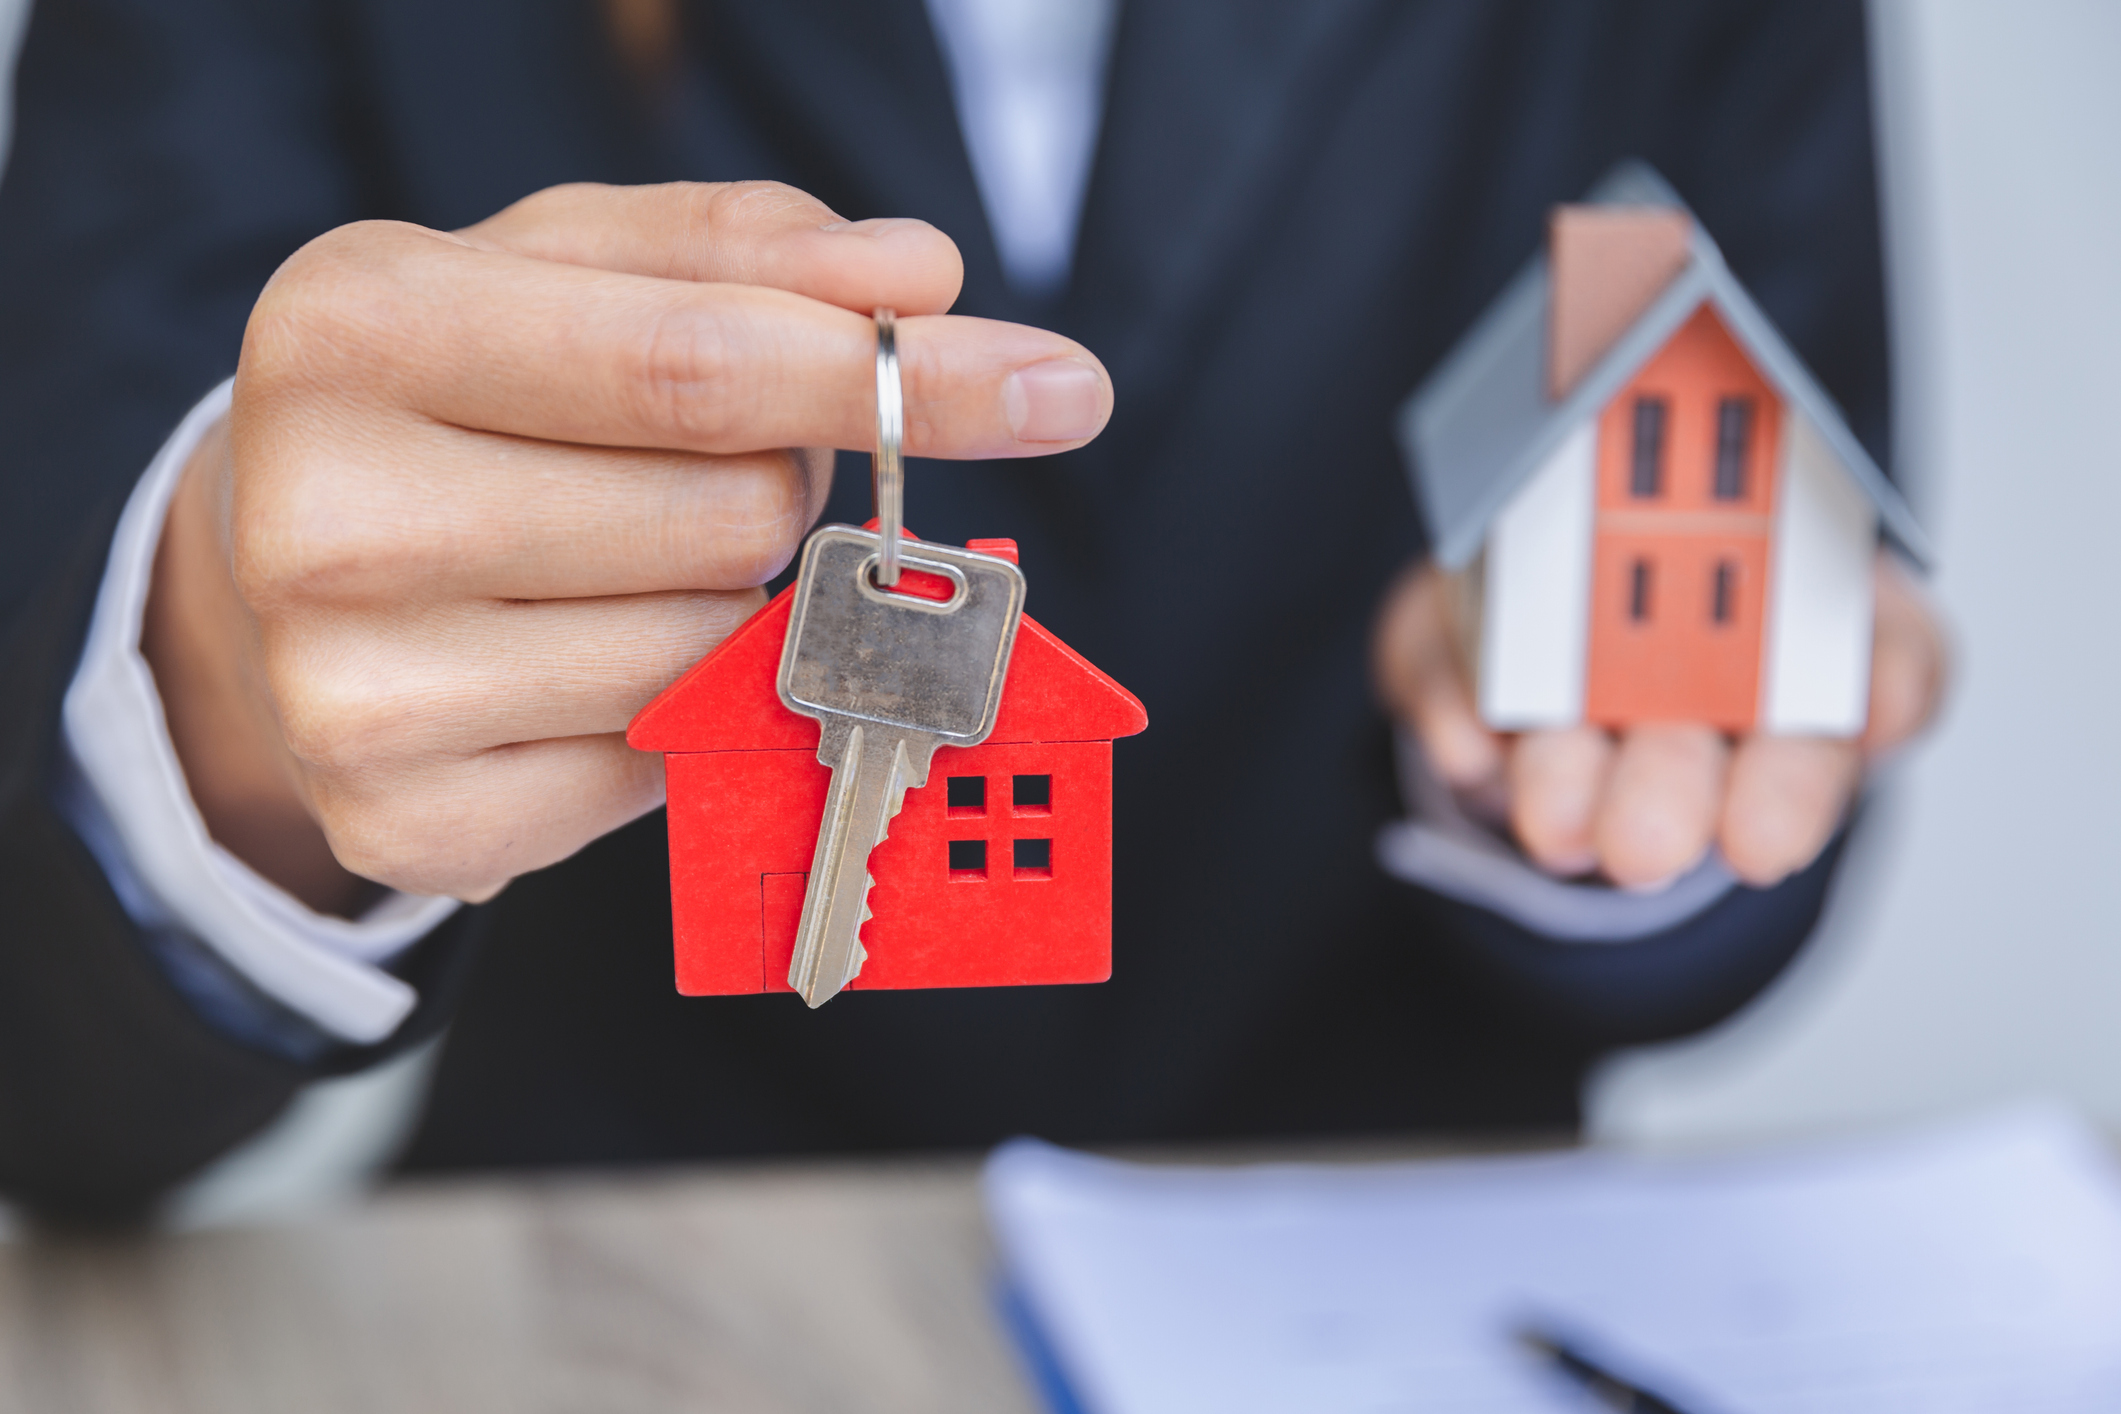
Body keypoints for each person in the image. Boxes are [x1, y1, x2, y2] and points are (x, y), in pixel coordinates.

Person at [0, 0, 1943, 1222]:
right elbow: (47, 1077)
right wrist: (214, 720)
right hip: (627, 1294)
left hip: (1396, 1270)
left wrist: (1567, 779)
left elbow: (1740, 872)